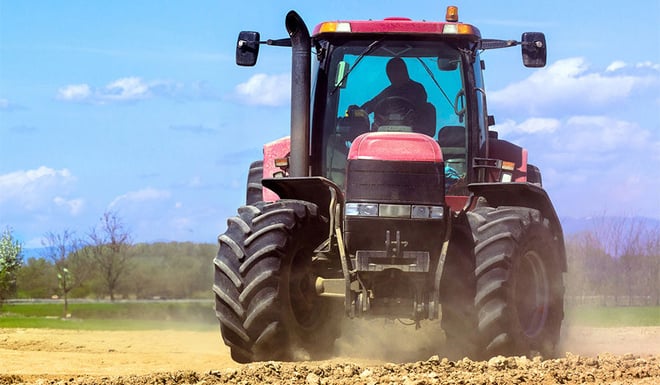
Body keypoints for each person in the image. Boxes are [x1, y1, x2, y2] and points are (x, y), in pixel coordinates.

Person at [360, 57, 428, 116]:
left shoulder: (418, 89)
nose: (394, 74)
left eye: (397, 70)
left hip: (413, 129)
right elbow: (371, 105)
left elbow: (421, 109)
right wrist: (355, 111)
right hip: (387, 129)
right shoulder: (387, 92)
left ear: (405, 71)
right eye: (391, 71)